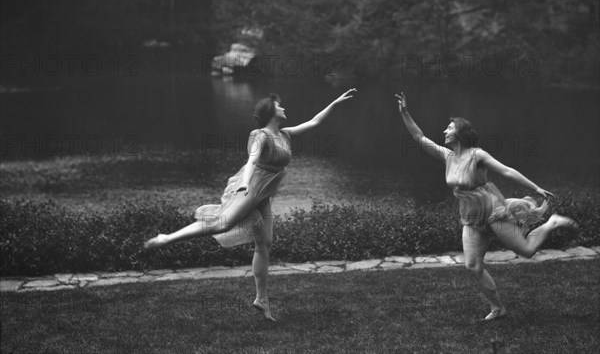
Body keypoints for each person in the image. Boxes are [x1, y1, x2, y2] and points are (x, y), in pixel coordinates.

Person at [144, 89, 357, 321]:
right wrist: (245, 184)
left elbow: (314, 121)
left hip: (264, 194)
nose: (284, 108)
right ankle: (167, 238)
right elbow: (252, 160)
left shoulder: (284, 134)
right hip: (251, 188)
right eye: (279, 106)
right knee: (221, 224)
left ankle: (262, 299)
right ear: (270, 112)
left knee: (264, 244)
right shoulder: (260, 135)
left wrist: (334, 102)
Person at [395, 92, 578, 321]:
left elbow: (506, 171)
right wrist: (405, 112)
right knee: (472, 266)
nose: (444, 131)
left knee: (528, 251)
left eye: (449, 128)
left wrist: (536, 188)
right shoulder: (447, 156)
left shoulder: (477, 155)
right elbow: (419, 137)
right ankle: (497, 308)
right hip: (470, 218)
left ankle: (552, 222)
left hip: (493, 212)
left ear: (460, 133)